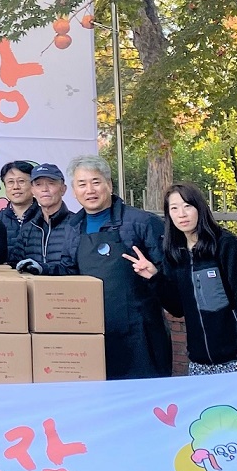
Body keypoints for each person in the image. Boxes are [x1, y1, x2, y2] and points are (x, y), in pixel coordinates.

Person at [127, 182, 237, 375]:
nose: (181, 214)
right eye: (174, 208)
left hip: (236, 360)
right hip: (198, 363)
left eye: (187, 206)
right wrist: (154, 277)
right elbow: (177, 308)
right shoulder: (175, 253)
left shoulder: (226, 245)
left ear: (200, 208)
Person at [66, 154, 171, 380]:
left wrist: (155, 275)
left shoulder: (142, 222)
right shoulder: (73, 227)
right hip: (96, 333)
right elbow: (69, 271)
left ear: (109, 185)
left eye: (96, 182)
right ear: (74, 191)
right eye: (82, 184)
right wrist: (39, 269)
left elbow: (170, 275)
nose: (89, 190)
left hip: (141, 333)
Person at [17, 163, 80, 275]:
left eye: (51, 183)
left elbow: (79, 268)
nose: (45, 189)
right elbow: (15, 265)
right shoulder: (27, 229)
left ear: (63, 189)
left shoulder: (77, 224)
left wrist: (43, 269)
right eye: (38, 184)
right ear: (32, 190)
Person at [0, 160, 36, 262]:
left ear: (33, 185)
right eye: (10, 182)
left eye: (21, 181)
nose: (16, 187)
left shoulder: (46, 217)